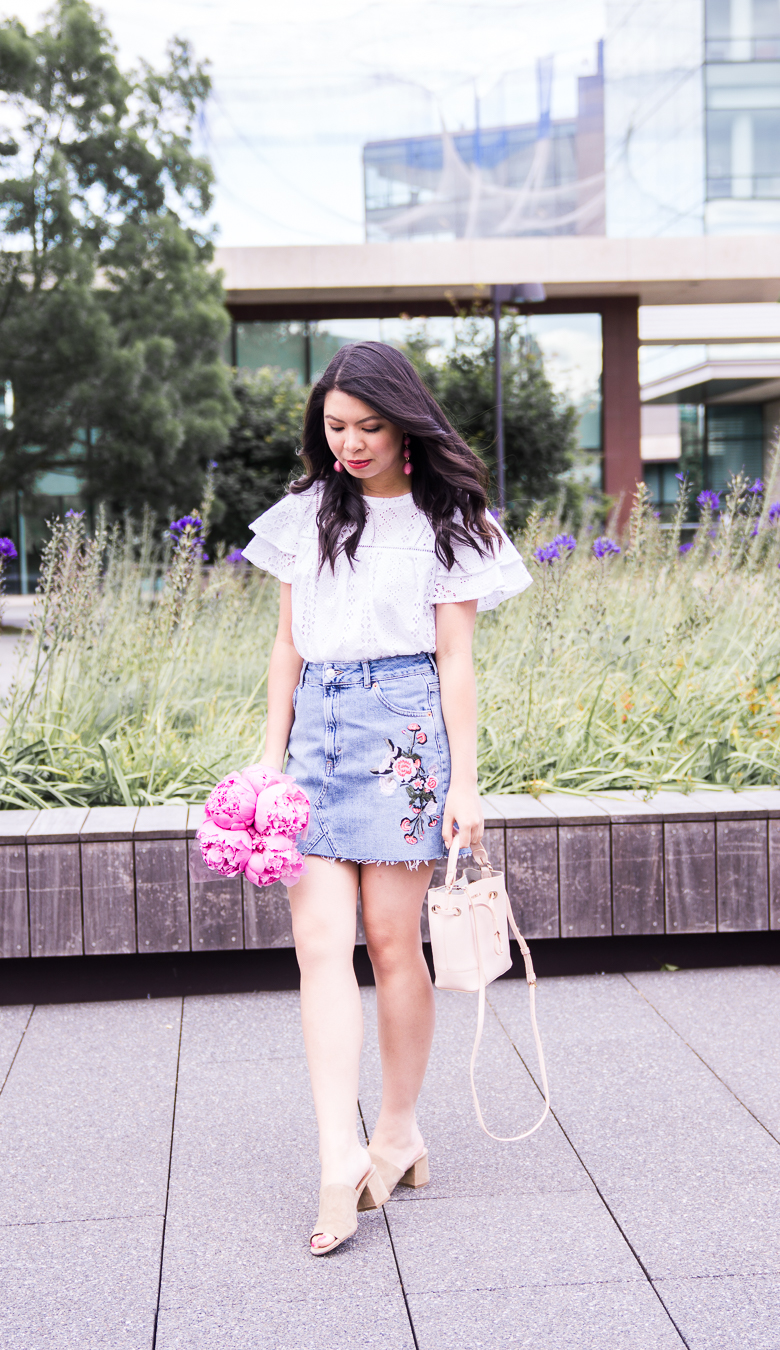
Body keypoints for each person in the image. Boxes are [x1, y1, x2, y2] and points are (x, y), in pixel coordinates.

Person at [242, 341, 531, 1254]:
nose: (350, 444)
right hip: (316, 730)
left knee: (394, 944)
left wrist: (468, 782)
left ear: (406, 423)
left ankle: (398, 1131)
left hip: (406, 730)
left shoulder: (454, 524)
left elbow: (456, 662)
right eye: (334, 427)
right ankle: (339, 1156)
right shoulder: (305, 514)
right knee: (318, 944)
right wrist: (268, 758)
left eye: (368, 427)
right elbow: (287, 646)